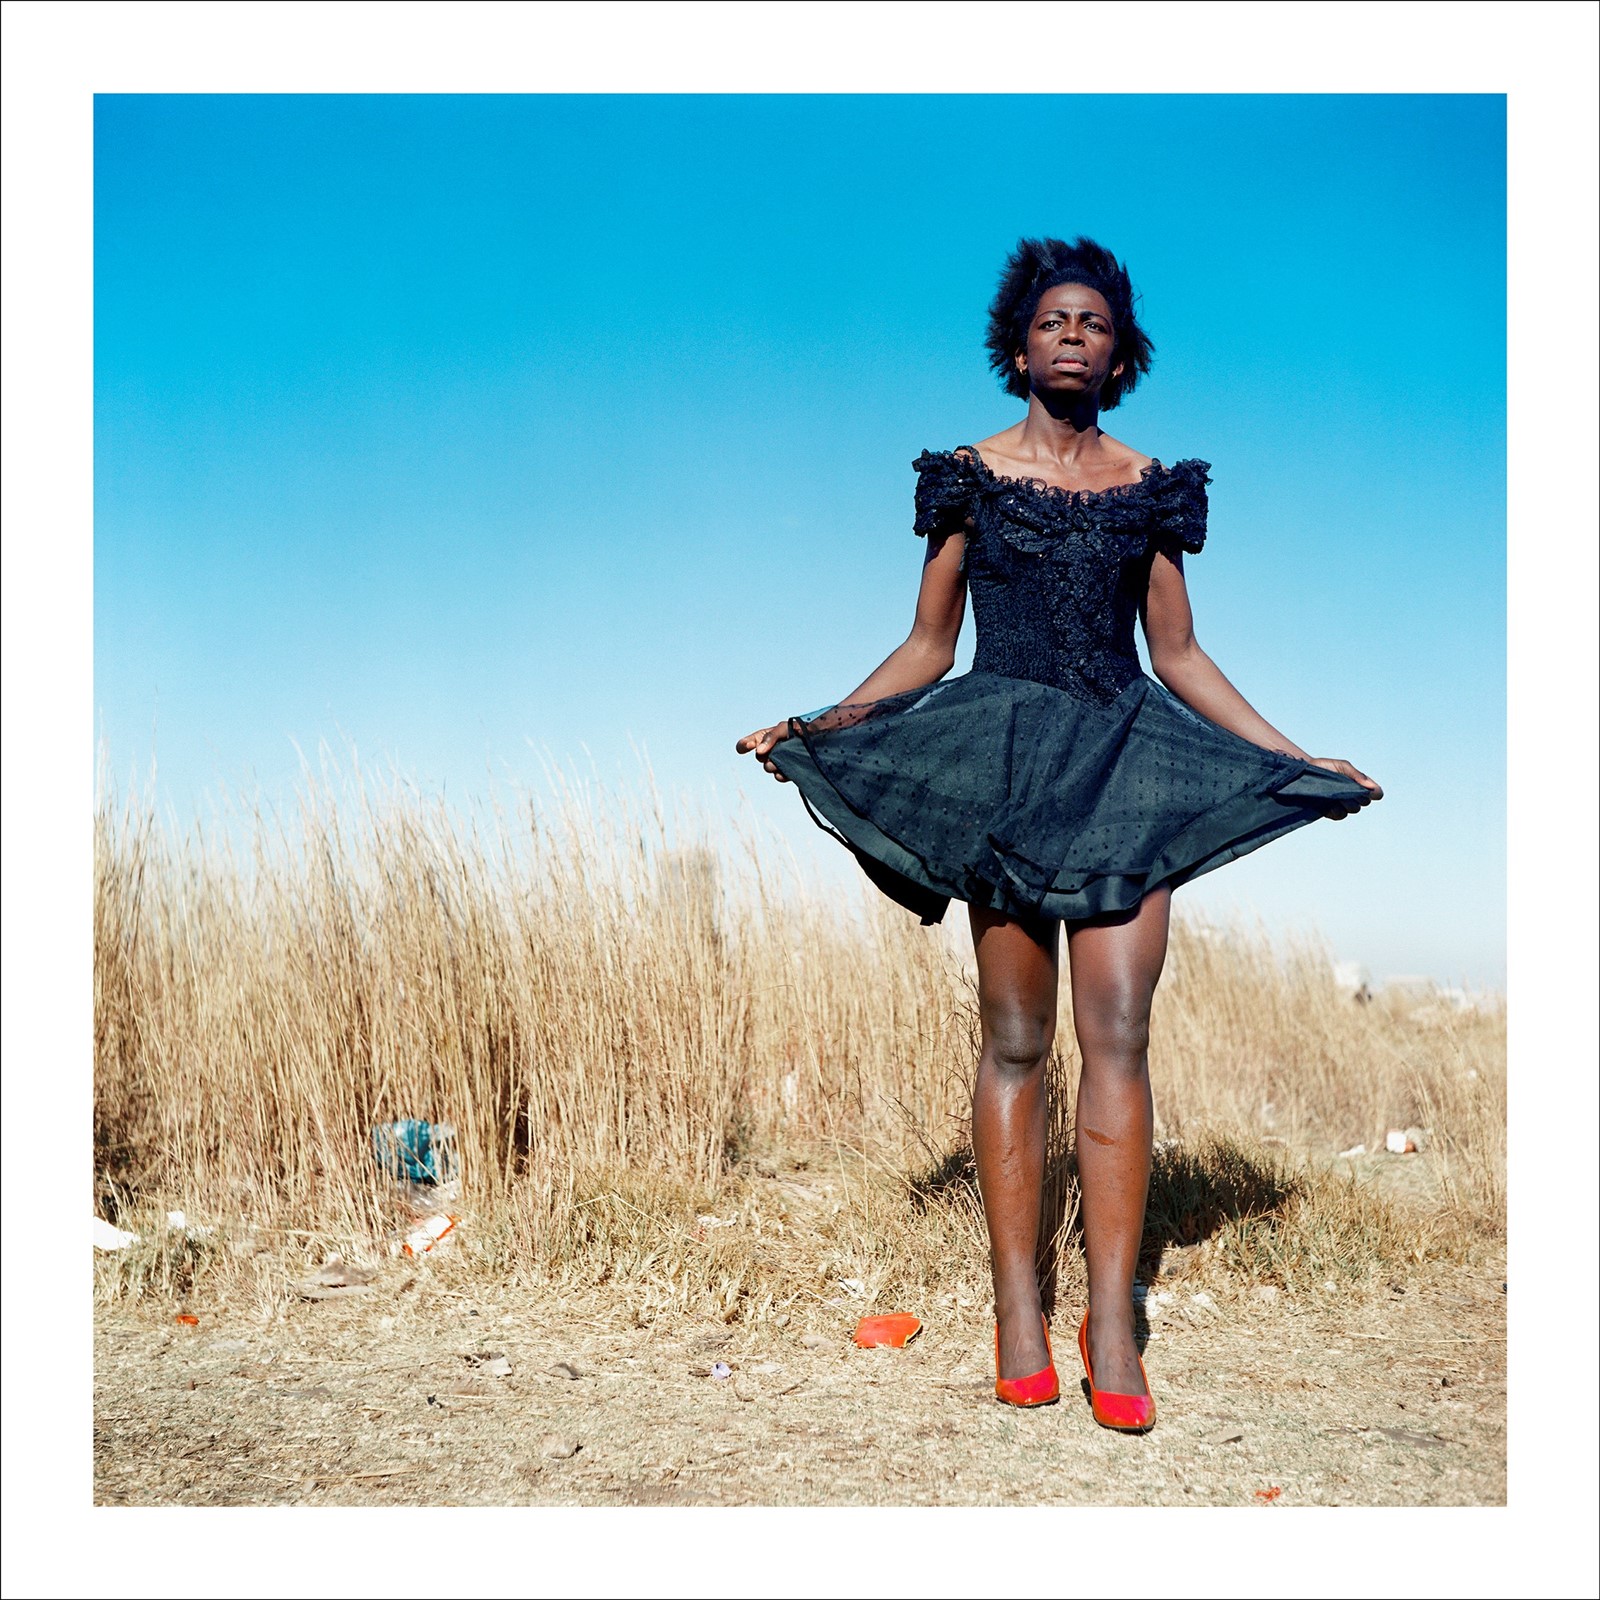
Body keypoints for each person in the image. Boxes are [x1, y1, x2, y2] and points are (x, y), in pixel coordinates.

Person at [735, 236, 1381, 1428]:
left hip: (1129, 770)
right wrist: (821, 724)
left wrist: (1296, 757)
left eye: (1092, 322)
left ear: (1120, 353)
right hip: (1007, 773)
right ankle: (1018, 1307)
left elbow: (1178, 654)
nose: (1072, 334)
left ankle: (1113, 1320)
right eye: (1052, 321)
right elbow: (929, 645)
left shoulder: (1150, 487)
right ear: (1019, 349)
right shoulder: (968, 480)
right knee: (1018, 1036)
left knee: (1119, 1029)